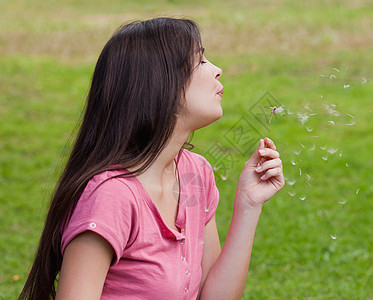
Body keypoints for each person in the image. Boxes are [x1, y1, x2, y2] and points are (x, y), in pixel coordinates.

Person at [20, 17, 284, 300]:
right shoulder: (111, 196)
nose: (217, 70)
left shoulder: (195, 174)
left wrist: (248, 204)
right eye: (201, 61)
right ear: (161, 85)